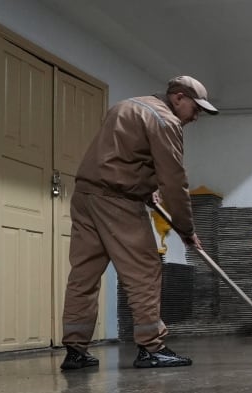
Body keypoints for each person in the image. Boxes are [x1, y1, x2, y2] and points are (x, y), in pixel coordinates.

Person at [60, 76, 218, 370]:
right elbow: (174, 181)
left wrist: (145, 188)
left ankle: (75, 350)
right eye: (196, 109)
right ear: (179, 98)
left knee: (84, 274)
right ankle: (151, 347)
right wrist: (186, 229)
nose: (196, 117)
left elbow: (123, 158)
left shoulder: (126, 106)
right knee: (144, 270)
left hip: (85, 195)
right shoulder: (164, 120)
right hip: (117, 201)